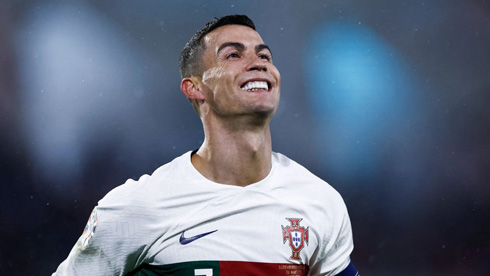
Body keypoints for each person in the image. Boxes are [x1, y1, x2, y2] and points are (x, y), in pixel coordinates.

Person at [53, 15, 359, 276]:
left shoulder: (320, 202)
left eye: (264, 56)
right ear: (195, 88)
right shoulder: (137, 207)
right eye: (233, 55)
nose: (258, 64)